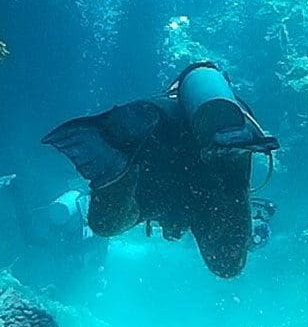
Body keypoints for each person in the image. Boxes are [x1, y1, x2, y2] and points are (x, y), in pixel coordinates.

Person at [42, 61, 279, 278]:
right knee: (228, 264)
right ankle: (225, 155)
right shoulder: (234, 122)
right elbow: (232, 202)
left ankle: (118, 170)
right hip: (209, 173)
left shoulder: (165, 108)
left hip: (157, 162)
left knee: (106, 224)